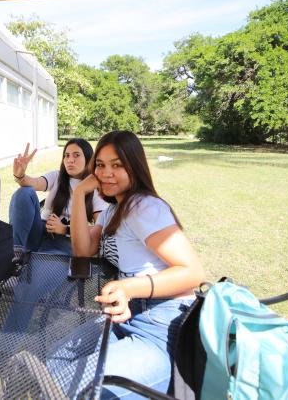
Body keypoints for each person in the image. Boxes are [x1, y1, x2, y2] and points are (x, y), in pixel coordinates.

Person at [70, 131, 205, 398]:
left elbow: (193, 273)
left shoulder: (143, 207)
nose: (106, 173)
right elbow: (82, 250)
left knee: (75, 388)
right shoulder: (111, 211)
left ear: (134, 166)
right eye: (100, 165)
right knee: (55, 367)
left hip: (162, 326)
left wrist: (128, 287)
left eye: (117, 165)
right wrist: (79, 194)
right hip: (125, 317)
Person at [9, 139, 107, 255]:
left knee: (46, 261)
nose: (70, 160)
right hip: (39, 231)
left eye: (76, 155)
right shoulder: (56, 176)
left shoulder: (94, 189)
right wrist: (20, 175)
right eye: (67, 155)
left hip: (65, 242)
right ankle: (15, 252)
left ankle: (36, 260)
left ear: (89, 158)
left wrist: (65, 229)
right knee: (24, 192)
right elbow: (35, 183)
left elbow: (100, 230)